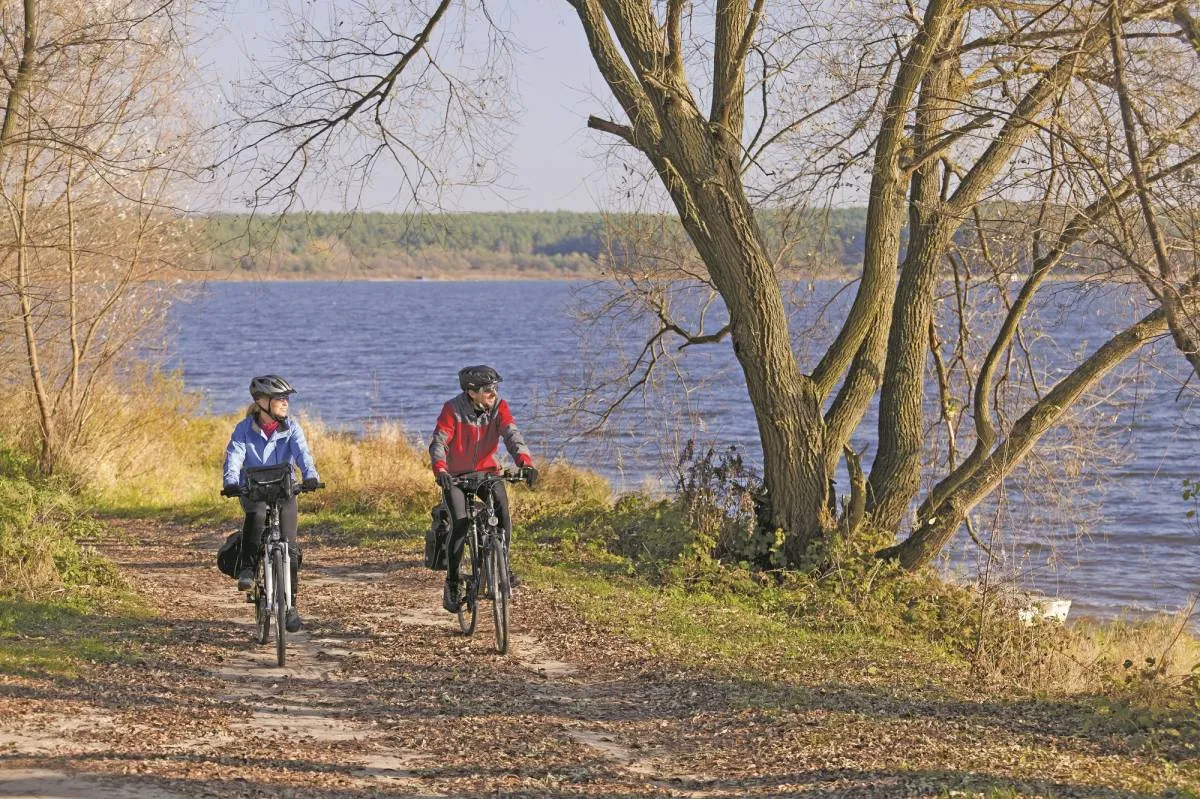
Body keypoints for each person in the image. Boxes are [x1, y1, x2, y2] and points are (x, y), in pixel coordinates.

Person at [429, 365, 538, 613]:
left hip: (487, 473)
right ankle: (453, 583)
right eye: (488, 389)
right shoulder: (452, 409)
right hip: (455, 477)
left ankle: (502, 567)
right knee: (460, 523)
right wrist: (441, 470)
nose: (493, 393)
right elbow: (439, 442)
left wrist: (526, 463)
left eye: (495, 388)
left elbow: (512, 435)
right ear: (471, 392)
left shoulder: (499, 407)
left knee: (503, 513)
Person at [222, 375, 321, 632]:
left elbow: (303, 454)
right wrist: (231, 482)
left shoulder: (292, 428)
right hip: (252, 489)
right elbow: (234, 456)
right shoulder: (244, 429)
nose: (286, 403)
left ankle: (291, 607)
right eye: (280, 398)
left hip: (283, 489)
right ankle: (247, 568)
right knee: (256, 515)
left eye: (287, 398)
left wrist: (310, 476)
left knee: (290, 549)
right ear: (263, 402)